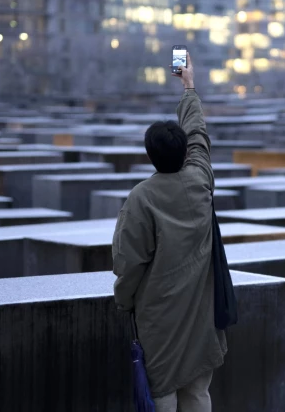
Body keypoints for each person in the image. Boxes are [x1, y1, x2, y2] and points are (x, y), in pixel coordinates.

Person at [112, 53, 226, 412]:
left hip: (159, 320)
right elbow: (198, 132)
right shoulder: (200, 180)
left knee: (161, 395)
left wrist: (123, 301)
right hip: (202, 314)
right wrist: (188, 85)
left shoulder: (141, 198)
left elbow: (128, 264)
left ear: (150, 155)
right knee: (197, 392)